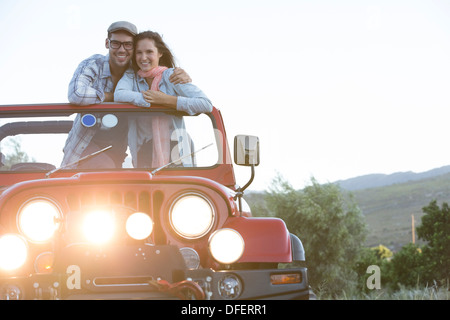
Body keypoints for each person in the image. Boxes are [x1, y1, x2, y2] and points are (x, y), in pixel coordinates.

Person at [61, 21, 191, 169]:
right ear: (107, 43)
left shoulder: (138, 71)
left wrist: (178, 73)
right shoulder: (93, 64)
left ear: (134, 48)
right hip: (85, 145)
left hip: (119, 148)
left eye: (128, 45)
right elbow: (76, 94)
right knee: (104, 169)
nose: (122, 49)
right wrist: (111, 97)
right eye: (116, 43)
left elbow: (160, 78)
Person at [114, 31, 213, 168]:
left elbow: (205, 104)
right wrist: (149, 99)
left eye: (149, 52)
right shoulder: (132, 76)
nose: (143, 58)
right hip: (144, 148)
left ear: (160, 53)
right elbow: (119, 94)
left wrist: (166, 100)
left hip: (177, 147)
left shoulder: (171, 76)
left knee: (177, 188)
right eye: (139, 52)